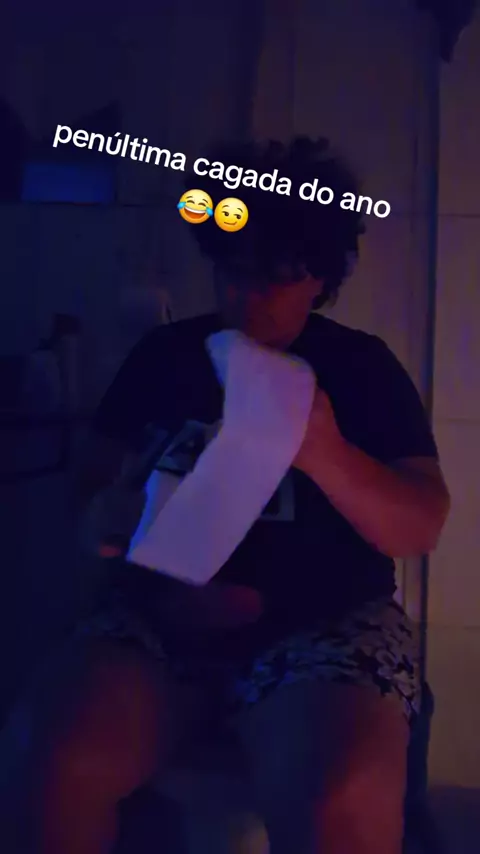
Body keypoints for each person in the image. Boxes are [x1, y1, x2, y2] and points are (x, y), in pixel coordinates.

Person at [18, 138, 450, 854]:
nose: (248, 298)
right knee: (50, 757)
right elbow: (89, 495)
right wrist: (106, 520)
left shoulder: (360, 367)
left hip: (323, 629)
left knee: (339, 795)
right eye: (233, 272)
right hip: (155, 626)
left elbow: (420, 524)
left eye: (275, 278)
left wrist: (327, 455)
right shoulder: (165, 358)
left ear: (319, 278)